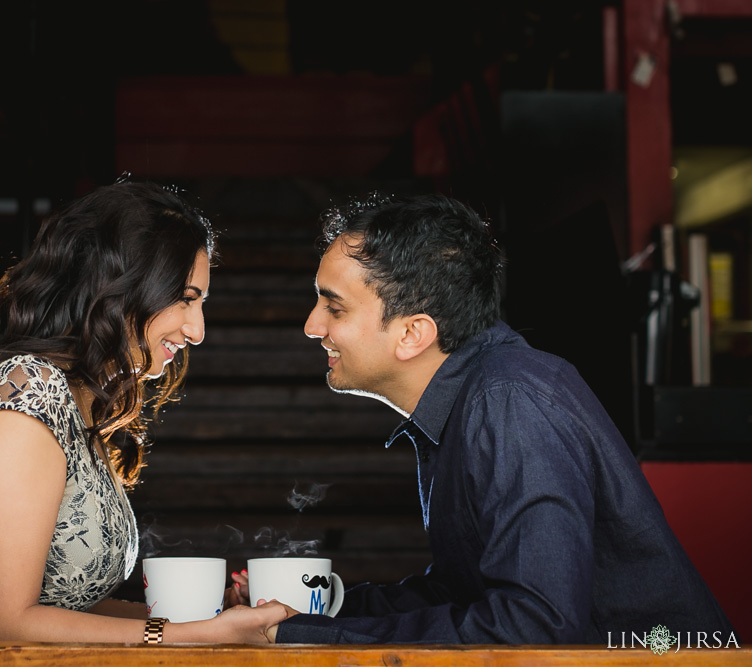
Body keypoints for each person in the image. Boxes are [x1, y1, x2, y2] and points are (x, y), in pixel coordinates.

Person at [243, 193, 736, 644]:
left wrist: (306, 639)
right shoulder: (473, 396)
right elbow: (464, 596)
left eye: (334, 306)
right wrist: (301, 618)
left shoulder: (510, 402)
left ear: (414, 333)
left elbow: (535, 626)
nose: (312, 325)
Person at [0, 181, 285, 643]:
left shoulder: (79, 402)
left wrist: (206, 623)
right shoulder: (27, 393)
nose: (196, 329)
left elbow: (61, 609)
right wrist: (190, 636)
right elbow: (4, 624)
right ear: (120, 287)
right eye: (185, 298)